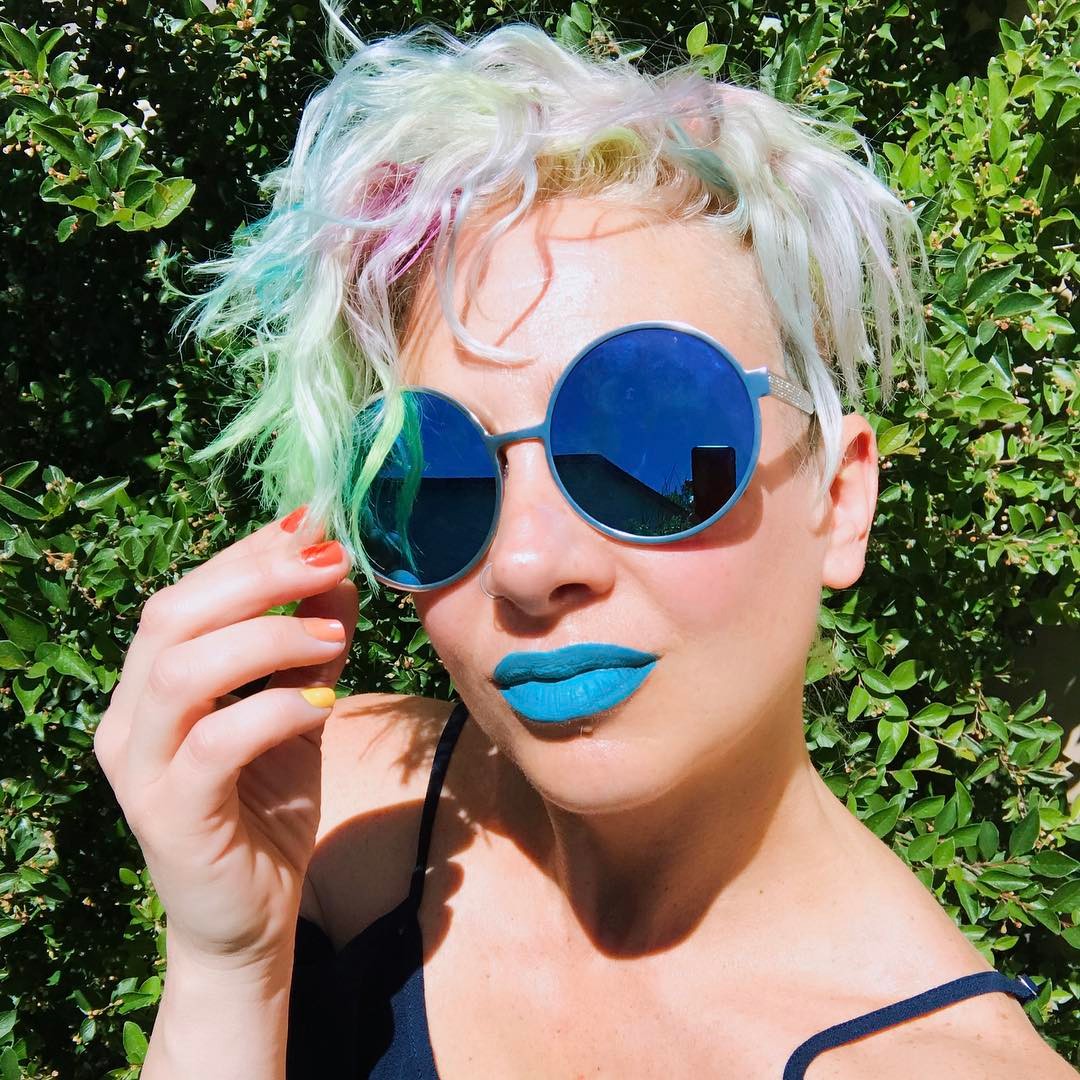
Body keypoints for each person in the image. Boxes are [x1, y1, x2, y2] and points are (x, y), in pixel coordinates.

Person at [92, 9, 1075, 1079]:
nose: (526, 566)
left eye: (652, 443)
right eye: (436, 473)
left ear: (839, 502)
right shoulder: (335, 808)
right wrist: (228, 964)